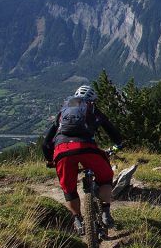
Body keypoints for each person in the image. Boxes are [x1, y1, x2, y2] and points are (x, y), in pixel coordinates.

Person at [42, 85, 123, 235]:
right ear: (92, 100)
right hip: (87, 148)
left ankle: (77, 219)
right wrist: (118, 144)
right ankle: (105, 213)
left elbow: (46, 143)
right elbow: (111, 130)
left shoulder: (63, 111)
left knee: (69, 188)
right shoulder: (92, 108)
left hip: (62, 151)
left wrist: (49, 160)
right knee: (105, 178)